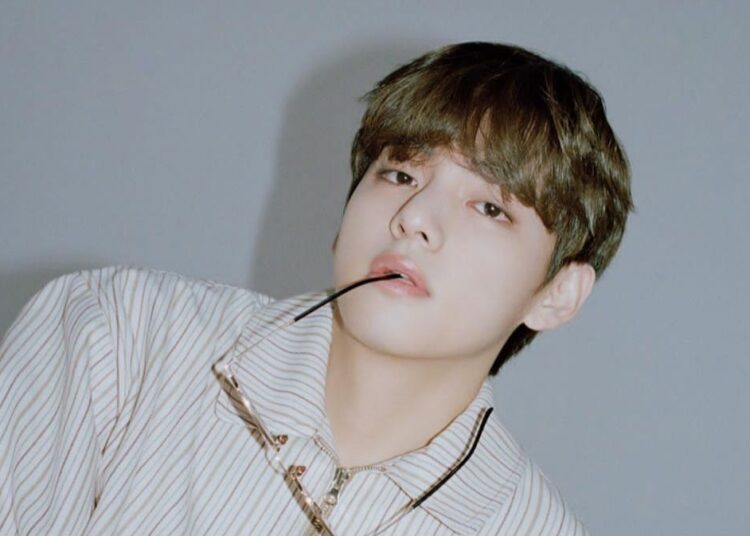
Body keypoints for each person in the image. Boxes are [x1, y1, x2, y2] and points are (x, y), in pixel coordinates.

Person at [0, 42, 633, 535]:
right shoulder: (116, 338)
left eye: (490, 208)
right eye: (399, 174)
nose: (413, 217)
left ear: (556, 294)